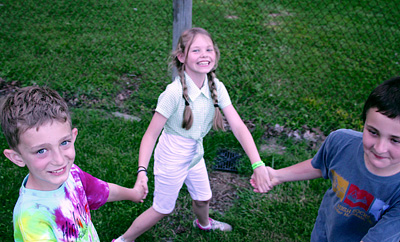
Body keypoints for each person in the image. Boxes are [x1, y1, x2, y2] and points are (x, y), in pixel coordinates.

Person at [112, 27, 271, 242]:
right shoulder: (173, 94)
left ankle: (204, 224)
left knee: (204, 198)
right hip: (170, 161)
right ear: (182, 57)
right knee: (162, 209)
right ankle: (124, 239)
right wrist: (142, 172)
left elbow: (239, 126)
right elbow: (150, 135)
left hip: (195, 156)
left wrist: (257, 164)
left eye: (209, 49)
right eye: (196, 50)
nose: (204, 55)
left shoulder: (217, 87)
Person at [251, 76, 400, 242]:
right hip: (325, 231)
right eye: (373, 132)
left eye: (395, 140)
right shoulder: (341, 142)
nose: (379, 148)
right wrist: (277, 175)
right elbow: (321, 165)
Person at [0, 86, 147, 241]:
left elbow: (102, 190)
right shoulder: (32, 220)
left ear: (73, 136)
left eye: (64, 142)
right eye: (41, 151)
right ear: (17, 158)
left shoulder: (73, 174)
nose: (59, 160)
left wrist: (134, 193)